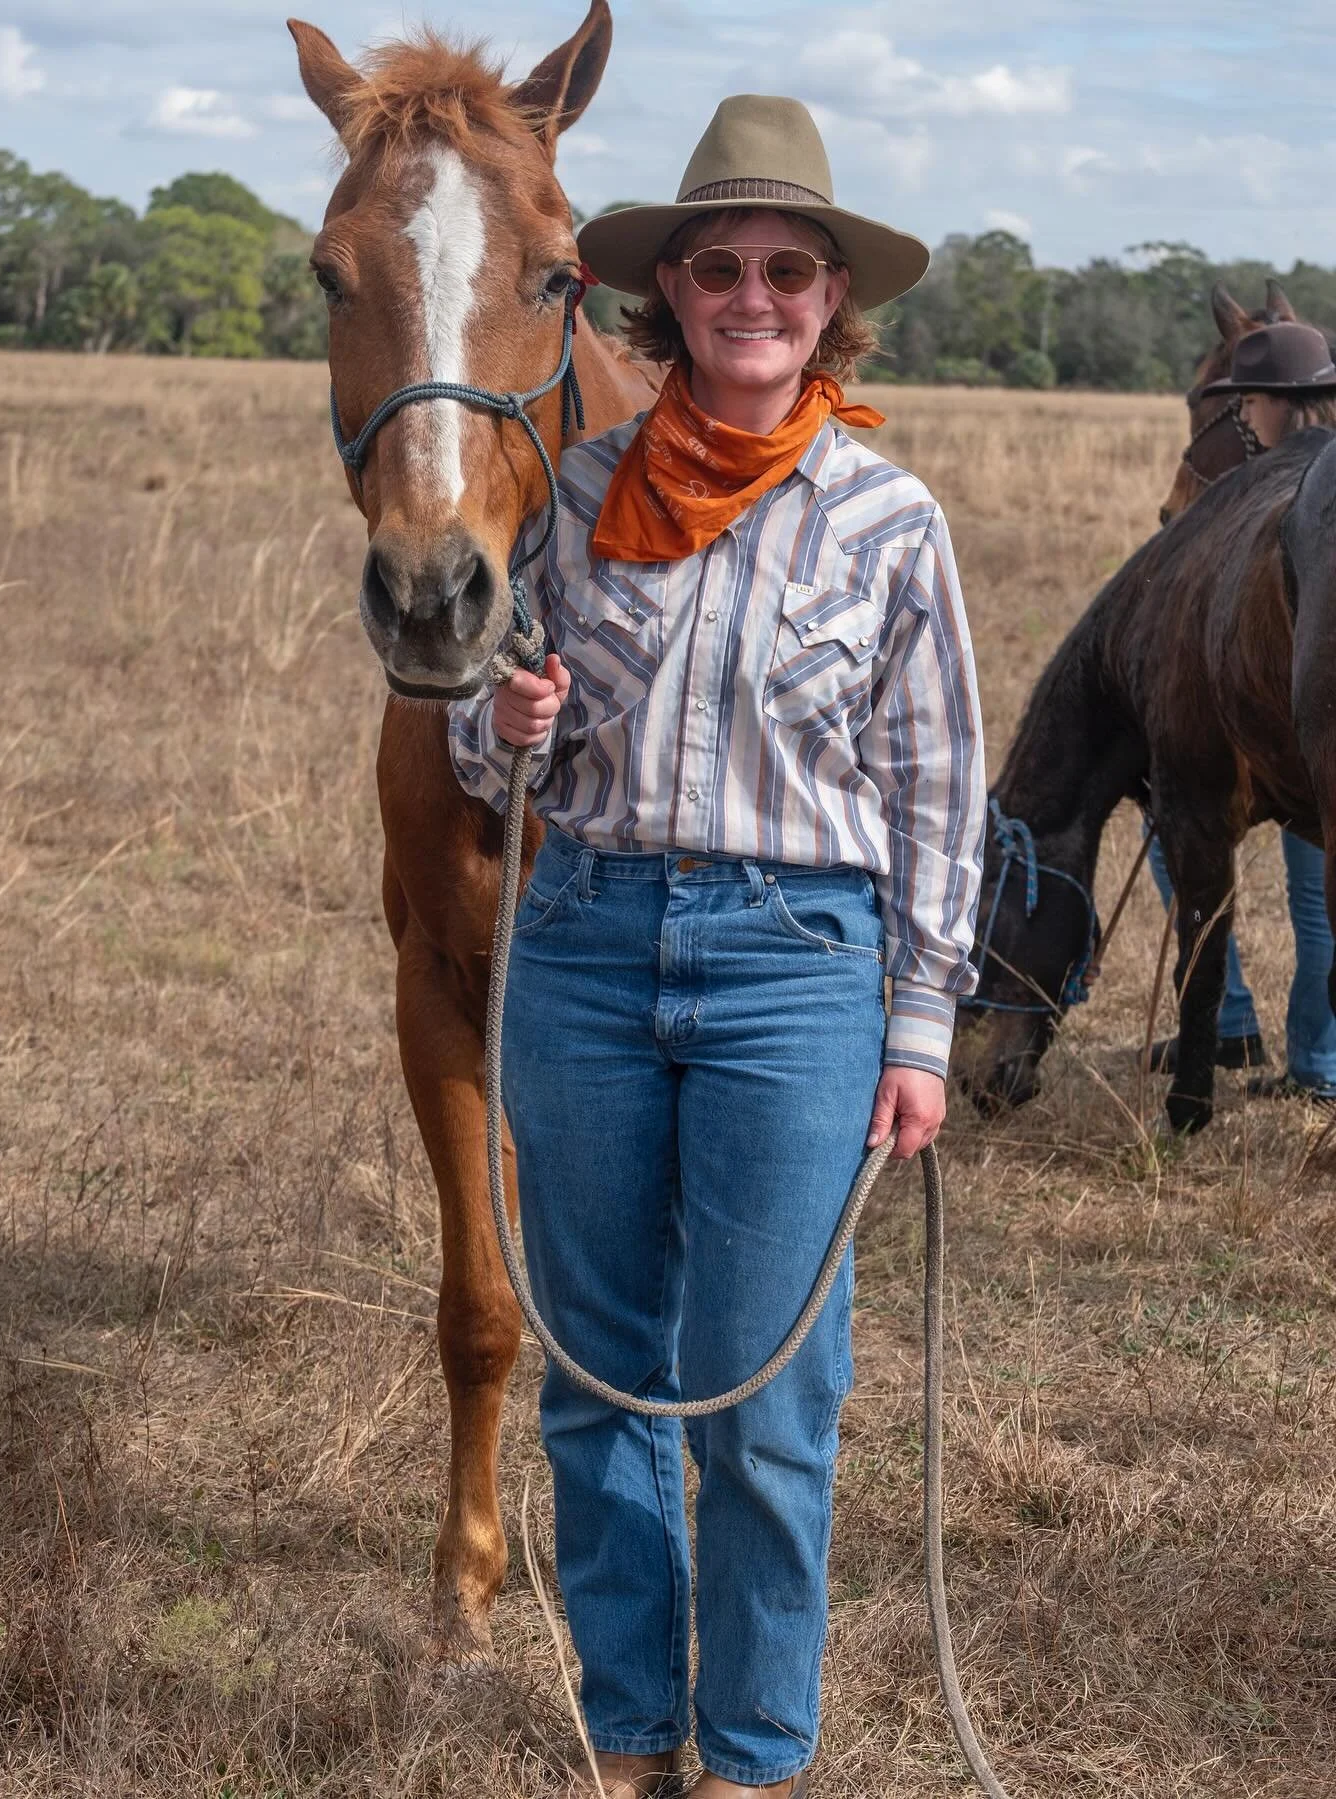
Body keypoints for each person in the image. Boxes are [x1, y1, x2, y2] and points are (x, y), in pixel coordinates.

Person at [448, 96, 984, 1798]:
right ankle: (631, 1735)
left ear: (832, 302)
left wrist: (921, 1026)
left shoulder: (892, 522)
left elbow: (938, 792)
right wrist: (506, 710)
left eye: (790, 270)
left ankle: (752, 1755)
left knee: (764, 1401)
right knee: (599, 1374)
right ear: (666, 291)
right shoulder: (576, 488)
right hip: (589, 947)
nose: (754, 296)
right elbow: (483, 750)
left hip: (794, 964)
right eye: (720, 267)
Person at [1148, 320, 1336, 1104]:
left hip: (1282, 730)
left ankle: (1233, 1019)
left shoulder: (1285, 492)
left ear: (1263, 404)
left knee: (1185, 846)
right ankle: (1318, 1066)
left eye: (1244, 404)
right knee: (1315, 892)